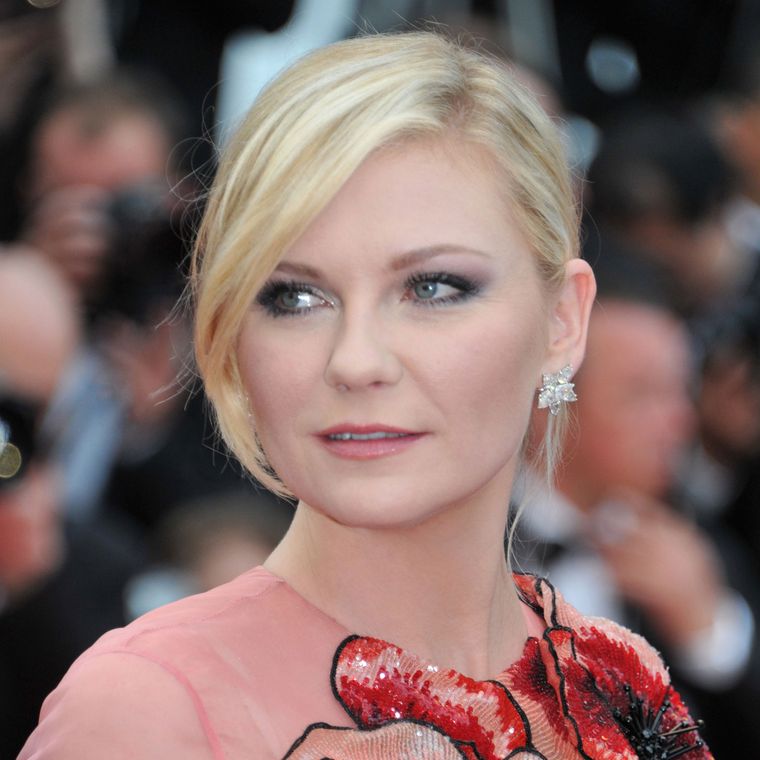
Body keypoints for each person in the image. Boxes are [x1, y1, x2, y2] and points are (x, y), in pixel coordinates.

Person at [20, 32, 711, 759]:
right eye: (294, 297)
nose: (355, 361)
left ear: (561, 321)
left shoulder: (620, 684)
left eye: (433, 287)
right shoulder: (145, 713)